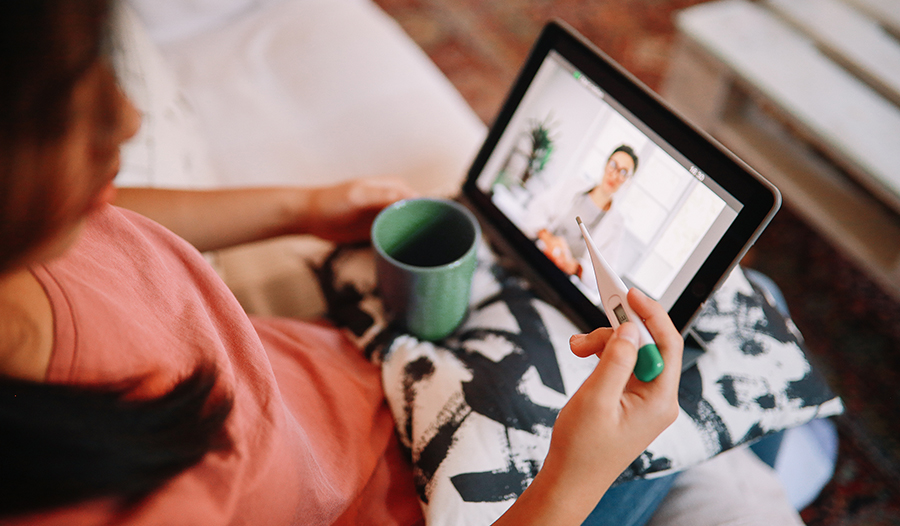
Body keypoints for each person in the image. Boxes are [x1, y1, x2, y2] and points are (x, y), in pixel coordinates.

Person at [0, 2, 684, 525]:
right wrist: (572, 478)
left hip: (358, 369)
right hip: (430, 492)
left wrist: (306, 206)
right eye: (66, 107)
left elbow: (110, 226)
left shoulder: (34, 240)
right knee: (713, 383)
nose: (125, 121)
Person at [537, 145, 636, 278]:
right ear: (606, 164)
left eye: (623, 173)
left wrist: (575, 267)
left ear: (628, 181)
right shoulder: (574, 186)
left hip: (562, 278)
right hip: (539, 253)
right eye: (613, 165)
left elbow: (605, 272)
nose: (615, 174)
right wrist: (548, 239)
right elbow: (538, 208)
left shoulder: (617, 225)